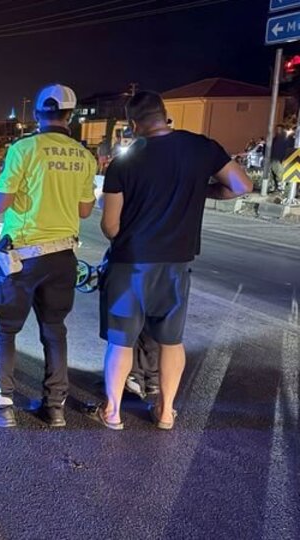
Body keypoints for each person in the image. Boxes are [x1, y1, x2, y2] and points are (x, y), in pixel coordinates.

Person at [96, 91, 252, 430]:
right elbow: (241, 185)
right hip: (177, 263)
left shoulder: (124, 162)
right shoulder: (201, 148)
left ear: (134, 124)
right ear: (165, 114)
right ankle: (166, 412)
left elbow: (110, 226)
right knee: (171, 340)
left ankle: (113, 412)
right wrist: (204, 190)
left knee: (121, 340)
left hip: (131, 263)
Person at [0, 84, 98, 429]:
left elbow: (0, 204)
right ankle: (55, 408)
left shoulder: (23, 149)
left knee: (4, 329)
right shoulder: (84, 156)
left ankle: (1, 404)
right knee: (55, 329)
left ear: (38, 113)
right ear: (70, 115)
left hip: (23, 257)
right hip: (64, 256)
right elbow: (85, 210)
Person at [270, 124, 293, 193]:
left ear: (283, 130)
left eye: (279, 129)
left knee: (280, 174)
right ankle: (277, 187)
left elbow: (289, 149)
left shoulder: (287, 139)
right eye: (277, 129)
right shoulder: (275, 139)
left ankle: (281, 189)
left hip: (281, 159)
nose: (278, 131)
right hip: (274, 159)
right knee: (274, 174)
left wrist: (284, 159)